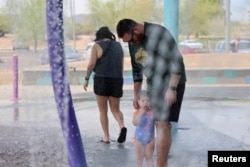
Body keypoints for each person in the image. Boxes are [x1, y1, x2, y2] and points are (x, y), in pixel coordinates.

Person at [116, 19, 186, 166]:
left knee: (162, 123)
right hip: (154, 84)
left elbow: (176, 61)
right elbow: (137, 70)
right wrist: (136, 95)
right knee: (157, 122)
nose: (132, 44)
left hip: (171, 82)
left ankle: (161, 164)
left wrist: (172, 89)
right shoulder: (132, 43)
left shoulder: (158, 33)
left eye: (131, 40)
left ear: (135, 29)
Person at [83, 26, 127, 144]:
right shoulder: (119, 46)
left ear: (99, 37)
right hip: (117, 79)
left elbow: (91, 64)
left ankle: (106, 137)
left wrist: (86, 78)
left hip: (101, 79)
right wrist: (119, 79)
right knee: (116, 109)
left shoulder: (97, 46)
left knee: (103, 111)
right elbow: (121, 66)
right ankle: (122, 126)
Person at [133, 90, 155, 167]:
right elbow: (135, 122)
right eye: (143, 101)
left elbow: (158, 123)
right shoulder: (137, 112)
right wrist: (141, 112)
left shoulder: (153, 112)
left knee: (149, 158)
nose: (145, 103)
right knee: (139, 158)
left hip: (150, 139)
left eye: (148, 101)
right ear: (138, 102)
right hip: (139, 139)